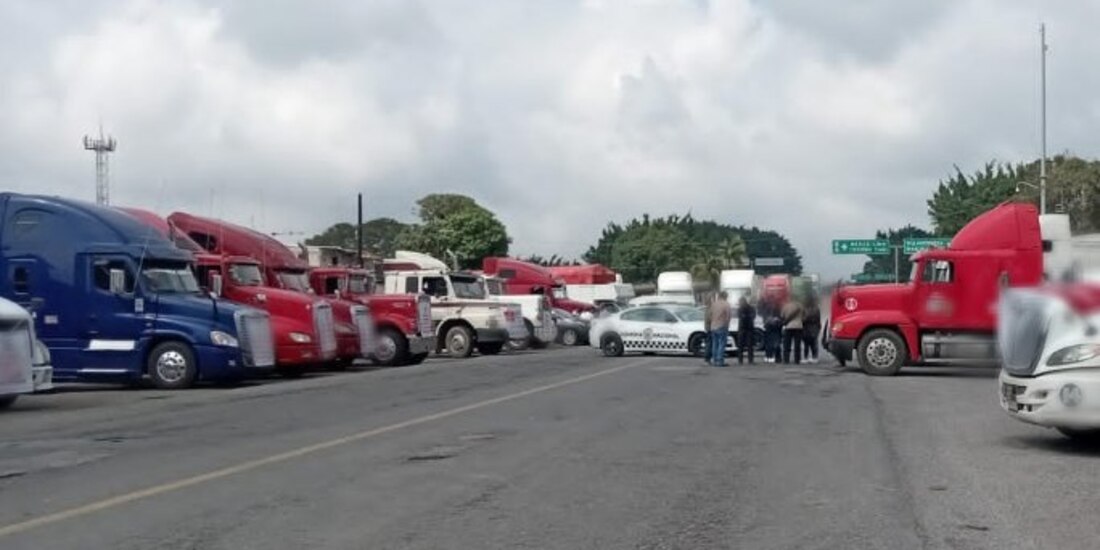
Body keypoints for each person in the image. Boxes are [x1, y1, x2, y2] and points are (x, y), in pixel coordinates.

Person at [706, 291, 732, 366]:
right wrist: (727, 325)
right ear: (725, 296)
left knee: (715, 343)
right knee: (721, 344)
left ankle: (714, 360)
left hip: (713, 326)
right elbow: (728, 316)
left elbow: (710, 315)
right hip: (721, 326)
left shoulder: (714, 304)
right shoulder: (726, 304)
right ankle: (720, 361)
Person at [780, 297, 804, 364]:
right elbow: (804, 316)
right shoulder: (800, 306)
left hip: (788, 327)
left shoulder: (785, 306)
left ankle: (786, 359)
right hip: (798, 326)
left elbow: (782, 315)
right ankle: (797, 360)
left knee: (787, 344)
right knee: (797, 345)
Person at [736, 296, 756, 364]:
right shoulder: (743, 309)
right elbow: (741, 316)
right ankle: (744, 360)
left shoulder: (749, 308)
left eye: (741, 302)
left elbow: (752, 316)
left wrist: (745, 316)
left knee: (747, 345)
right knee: (744, 345)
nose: (740, 303)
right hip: (745, 328)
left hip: (746, 328)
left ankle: (745, 360)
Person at [802, 295, 821, 364]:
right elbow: (818, 319)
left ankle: (806, 357)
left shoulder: (804, 308)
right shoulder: (816, 308)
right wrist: (819, 327)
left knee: (806, 344)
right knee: (814, 343)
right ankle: (814, 357)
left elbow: (803, 319)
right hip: (814, 327)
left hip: (806, 327)